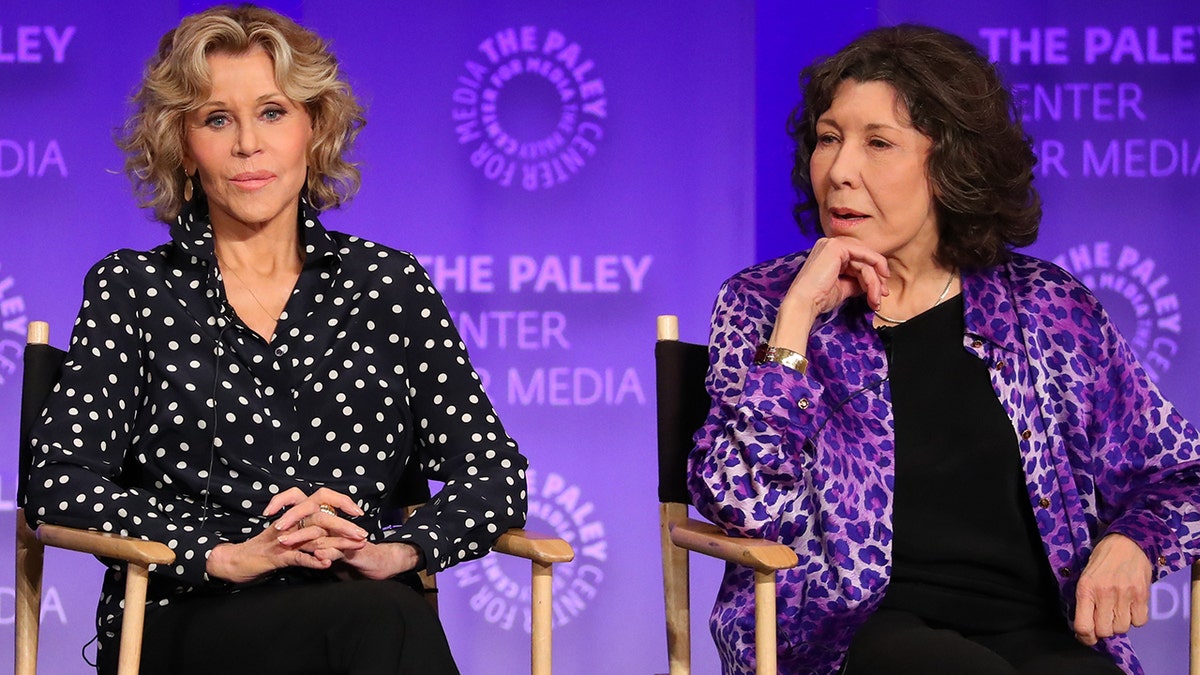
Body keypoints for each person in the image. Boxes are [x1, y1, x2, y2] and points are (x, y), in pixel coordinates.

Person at [24, 5, 527, 674]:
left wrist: (398, 548)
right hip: (190, 614)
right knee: (388, 619)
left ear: (313, 128)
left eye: (272, 112)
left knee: (381, 612)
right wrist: (217, 553)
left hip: (361, 610)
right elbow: (58, 481)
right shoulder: (135, 287)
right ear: (182, 141)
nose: (247, 146)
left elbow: (495, 473)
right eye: (216, 119)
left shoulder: (387, 286)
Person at [688, 24, 1200, 675]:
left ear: (950, 164)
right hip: (846, 639)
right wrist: (796, 322)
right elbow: (739, 502)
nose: (839, 171)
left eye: (878, 143)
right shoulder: (762, 302)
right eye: (827, 139)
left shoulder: (1048, 309)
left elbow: (1182, 474)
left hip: (1037, 630)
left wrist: (1136, 539)